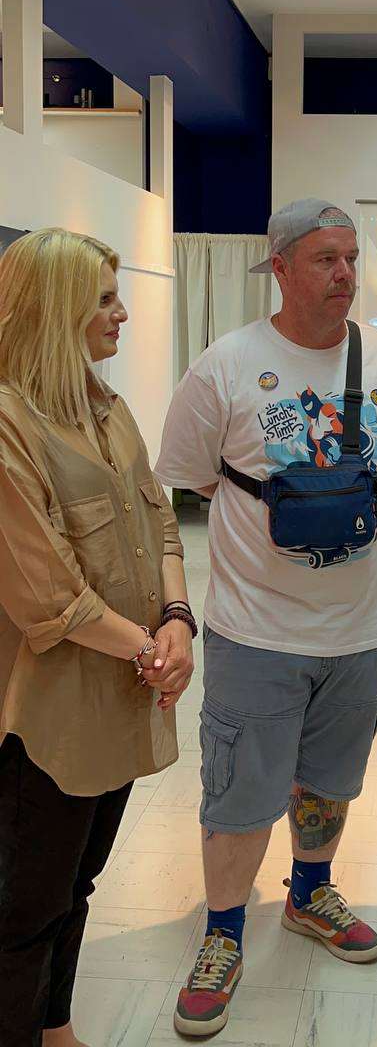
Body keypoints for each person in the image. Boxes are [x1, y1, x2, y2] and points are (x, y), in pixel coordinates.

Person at [155, 197, 377, 1038]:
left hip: (365, 632)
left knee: (329, 780)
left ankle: (310, 893)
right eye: (325, 259)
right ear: (278, 268)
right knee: (239, 793)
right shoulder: (225, 366)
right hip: (256, 632)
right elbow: (191, 479)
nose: (345, 273)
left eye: (351, 257)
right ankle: (223, 934)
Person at [0, 228, 195, 1047]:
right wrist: (151, 651)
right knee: (21, 915)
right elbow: (49, 598)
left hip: (119, 698)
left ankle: (56, 1028)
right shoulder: (10, 424)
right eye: (105, 300)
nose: (123, 314)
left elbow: (163, 525)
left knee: (76, 887)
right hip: (46, 720)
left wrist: (179, 620)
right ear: (56, 310)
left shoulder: (109, 411)